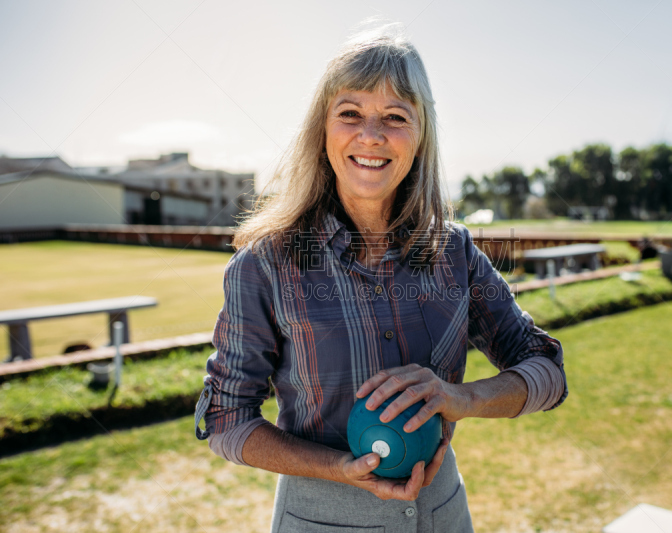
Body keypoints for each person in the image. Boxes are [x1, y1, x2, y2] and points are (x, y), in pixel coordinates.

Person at [194, 23, 567, 533]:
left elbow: (548, 371)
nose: (371, 135)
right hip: (321, 520)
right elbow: (226, 423)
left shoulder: (453, 250)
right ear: (322, 130)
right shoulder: (265, 265)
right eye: (350, 114)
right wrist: (338, 469)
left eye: (395, 117)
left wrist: (463, 399)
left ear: (419, 138)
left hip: (444, 516)